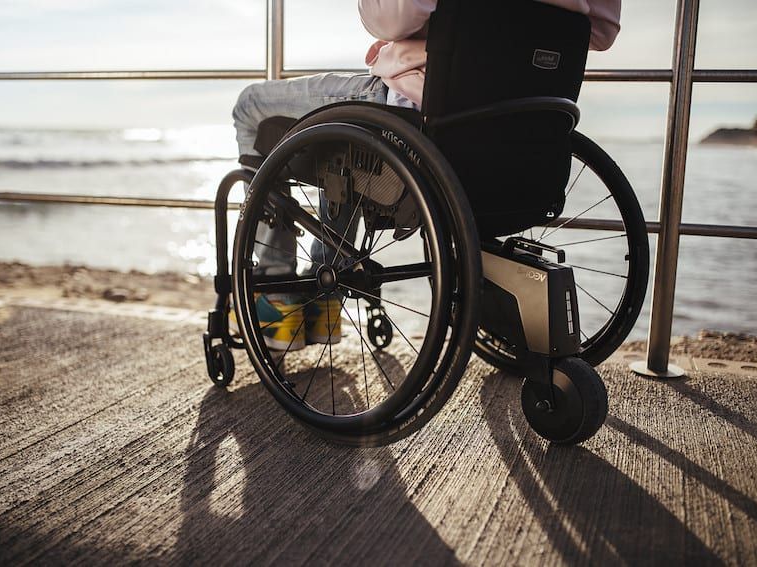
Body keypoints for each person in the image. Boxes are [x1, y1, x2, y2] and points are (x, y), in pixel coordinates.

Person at [231, 0, 622, 351]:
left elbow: (391, 17)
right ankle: (324, 294)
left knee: (250, 107)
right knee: (339, 142)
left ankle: (276, 289)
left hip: (418, 108)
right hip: (521, 130)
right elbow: (602, 30)